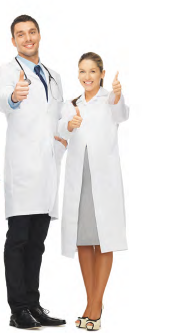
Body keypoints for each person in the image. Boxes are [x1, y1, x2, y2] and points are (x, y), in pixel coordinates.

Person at [0, 15, 67, 329]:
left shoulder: (54, 75)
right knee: (19, 239)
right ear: (13, 40)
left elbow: (60, 114)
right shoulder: (8, 71)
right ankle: (17, 310)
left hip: (48, 167)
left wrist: (66, 132)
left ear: (39, 34)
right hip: (23, 167)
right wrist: (13, 96)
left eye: (32, 32)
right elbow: (2, 99)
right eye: (20, 34)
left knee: (38, 242)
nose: (27, 38)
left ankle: (34, 305)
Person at [58, 52, 129, 331]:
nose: (87, 77)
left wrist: (117, 95)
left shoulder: (109, 100)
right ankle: (91, 303)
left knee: (104, 240)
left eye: (92, 71)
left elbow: (121, 113)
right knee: (83, 240)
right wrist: (69, 124)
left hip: (104, 180)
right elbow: (61, 130)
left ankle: (95, 306)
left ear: (101, 73)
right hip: (80, 179)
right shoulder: (71, 104)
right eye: (82, 71)